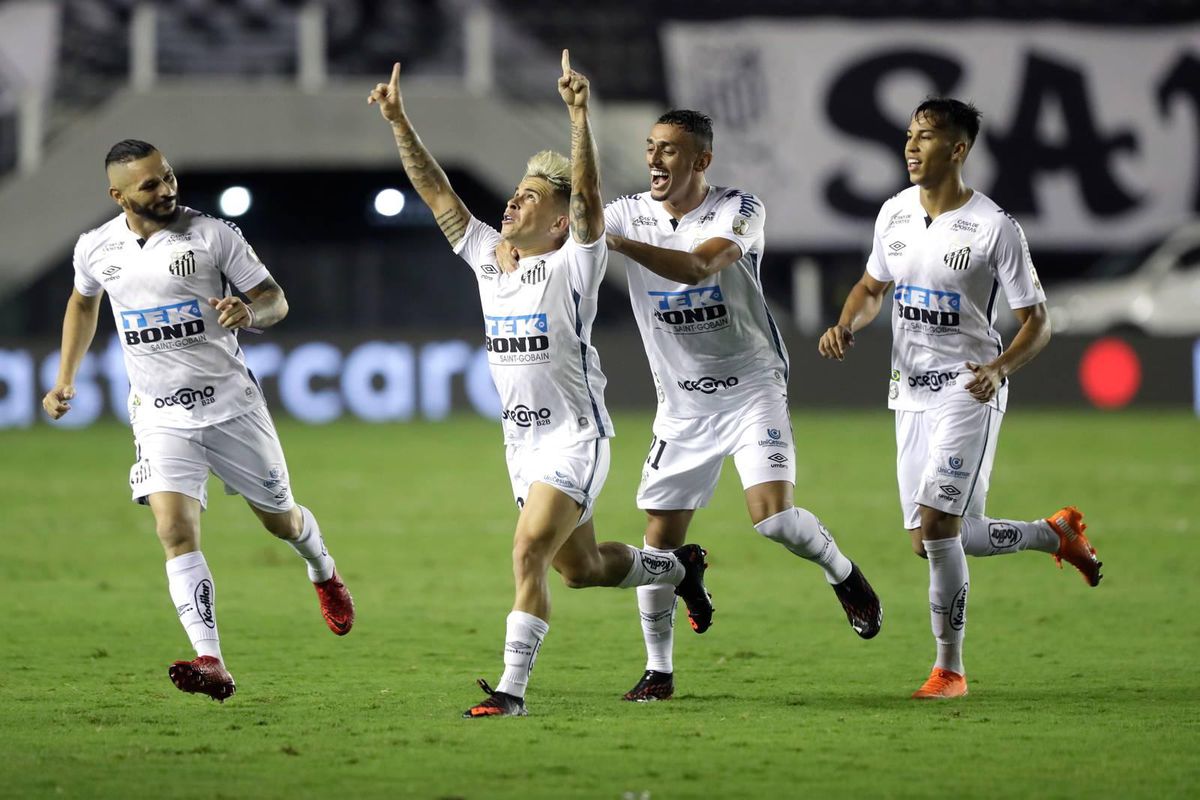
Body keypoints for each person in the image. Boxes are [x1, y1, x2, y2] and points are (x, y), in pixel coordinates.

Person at [368, 54, 714, 718]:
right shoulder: (487, 261)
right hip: (521, 448)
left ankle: (512, 691)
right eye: (515, 191)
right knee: (579, 569)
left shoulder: (575, 263)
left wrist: (579, 114)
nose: (513, 199)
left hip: (575, 439)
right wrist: (399, 121)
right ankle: (676, 568)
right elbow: (437, 190)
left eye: (530, 195)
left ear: (559, 222)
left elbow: (588, 202)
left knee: (528, 549)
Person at [43, 139, 355, 703]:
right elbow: (83, 302)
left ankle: (323, 570)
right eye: (149, 185)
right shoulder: (96, 248)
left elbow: (275, 299)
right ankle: (211, 659)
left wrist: (250, 311)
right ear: (118, 196)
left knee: (281, 522)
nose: (165, 190)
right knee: (173, 529)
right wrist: (66, 376)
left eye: (167, 177)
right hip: (159, 415)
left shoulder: (213, 235)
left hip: (232, 407)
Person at [818, 97, 1103, 700]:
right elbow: (873, 286)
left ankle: (950, 670)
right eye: (908, 136)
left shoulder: (994, 227)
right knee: (935, 539)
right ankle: (1054, 535)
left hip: (968, 389)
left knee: (941, 528)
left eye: (925, 137)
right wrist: (848, 322)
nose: (911, 147)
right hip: (908, 395)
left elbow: (1038, 321)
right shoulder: (893, 214)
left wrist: (999, 369)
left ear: (958, 149)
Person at [601, 110, 883, 702]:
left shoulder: (739, 209)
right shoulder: (626, 211)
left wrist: (620, 244)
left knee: (774, 519)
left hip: (753, 384)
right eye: (650, 148)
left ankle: (845, 575)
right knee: (657, 545)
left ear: (701, 161)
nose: (655, 159)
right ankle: (659, 671)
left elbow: (700, 266)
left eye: (670, 150)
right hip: (681, 404)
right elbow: (575, 227)